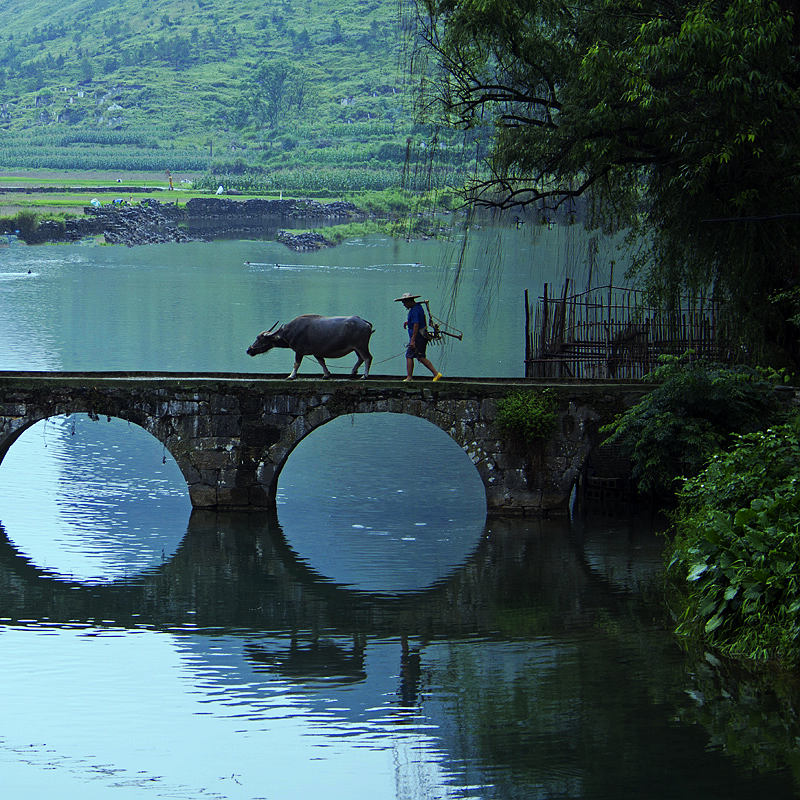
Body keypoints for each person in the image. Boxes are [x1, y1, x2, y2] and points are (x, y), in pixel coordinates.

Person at [394, 292, 443, 382]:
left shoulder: (415, 310)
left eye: (404, 303)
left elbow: (416, 324)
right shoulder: (417, 308)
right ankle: (435, 374)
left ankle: (410, 377)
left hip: (418, 337)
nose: (404, 305)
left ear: (409, 301)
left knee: (411, 356)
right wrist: (408, 322)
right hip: (419, 336)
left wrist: (412, 340)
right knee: (419, 357)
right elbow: (416, 321)